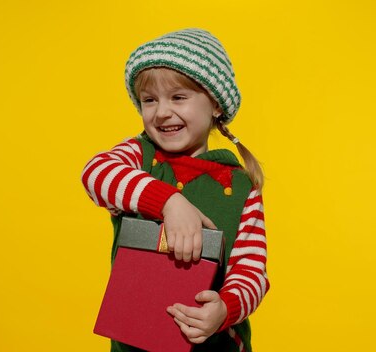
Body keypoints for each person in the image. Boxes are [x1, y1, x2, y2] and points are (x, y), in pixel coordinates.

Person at [81, 28, 269, 352]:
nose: (162, 112)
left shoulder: (240, 186)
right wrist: (168, 201)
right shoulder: (140, 157)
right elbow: (95, 173)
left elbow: (251, 271)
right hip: (135, 342)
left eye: (178, 97)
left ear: (215, 106)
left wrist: (225, 309)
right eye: (149, 100)